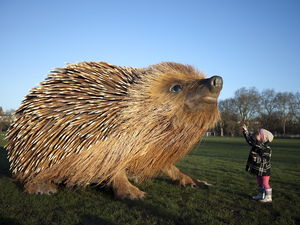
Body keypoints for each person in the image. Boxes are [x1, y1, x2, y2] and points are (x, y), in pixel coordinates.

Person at [242, 124, 274, 203]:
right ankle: (261, 194)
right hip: (258, 169)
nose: (256, 134)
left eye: (258, 134)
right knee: (259, 182)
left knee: (265, 183)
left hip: (264, 170)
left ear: (263, 138)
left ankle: (268, 197)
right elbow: (249, 139)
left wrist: (258, 159)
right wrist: (245, 131)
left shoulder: (267, 149)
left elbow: (266, 160)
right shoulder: (256, 144)